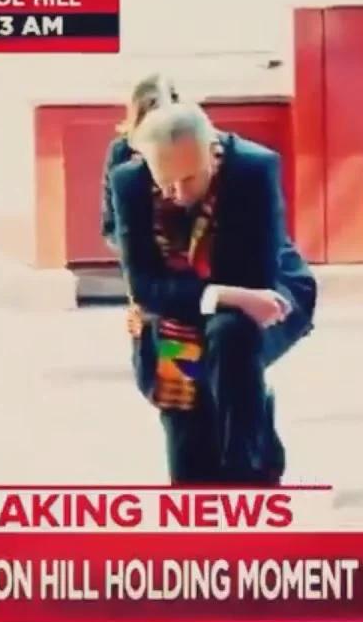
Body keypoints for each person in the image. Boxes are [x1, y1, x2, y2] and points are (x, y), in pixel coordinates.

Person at [110, 102, 317, 484]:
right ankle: (253, 443)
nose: (176, 193)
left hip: (271, 294)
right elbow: (144, 287)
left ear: (212, 150)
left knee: (230, 335)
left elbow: (255, 277)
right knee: (189, 462)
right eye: (165, 181)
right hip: (185, 311)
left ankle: (247, 473)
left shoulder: (252, 168)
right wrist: (220, 294)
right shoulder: (130, 183)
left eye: (189, 178)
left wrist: (222, 297)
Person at [100, 73, 181, 249]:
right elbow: (110, 224)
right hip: (138, 248)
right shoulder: (121, 151)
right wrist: (133, 245)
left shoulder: (189, 144)